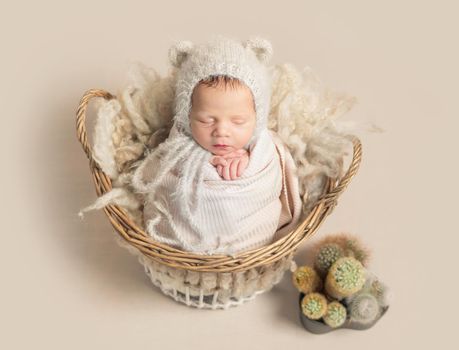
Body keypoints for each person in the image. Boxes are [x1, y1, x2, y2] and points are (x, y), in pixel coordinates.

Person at [131, 35, 302, 255]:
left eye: (238, 121)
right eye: (206, 120)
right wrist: (203, 163)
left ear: (257, 118)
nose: (221, 131)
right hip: (183, 250)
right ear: (187, 116)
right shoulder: (177, 146)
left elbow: (273, 170)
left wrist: (249, 160)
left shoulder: (263, 149)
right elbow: (157, 179)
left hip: (253, 241)